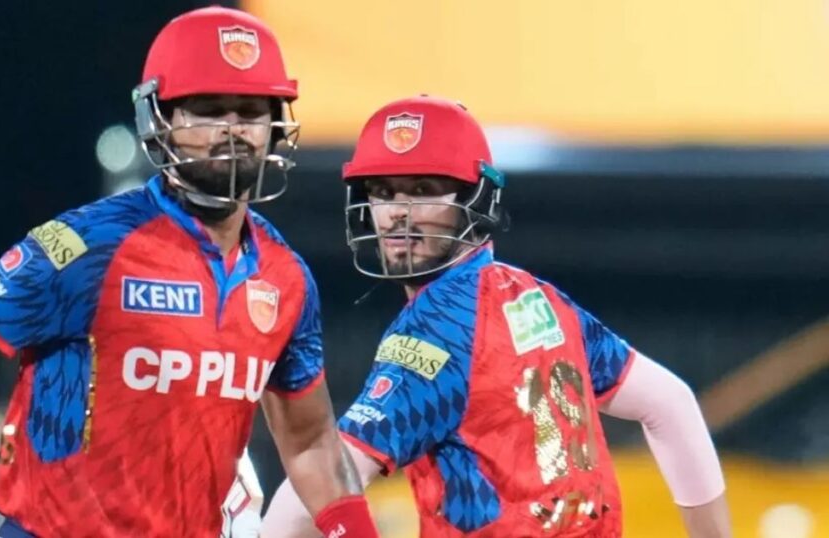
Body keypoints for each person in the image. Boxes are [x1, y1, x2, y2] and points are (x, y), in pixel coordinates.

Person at [0, 7, 380, 537]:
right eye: (207, 110)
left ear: (276, 125)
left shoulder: (285, 276)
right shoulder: (89, 244)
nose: (232, 130)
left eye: (250, 111)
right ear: (159, 120)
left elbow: (310, 442)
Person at [261, 95, 731, 537]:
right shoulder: (540, 299)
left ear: (477, 199)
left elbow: (325, 477)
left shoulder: (436, 331)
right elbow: (671, 403)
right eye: (383, 191)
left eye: (423, 190)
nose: (397, 213)